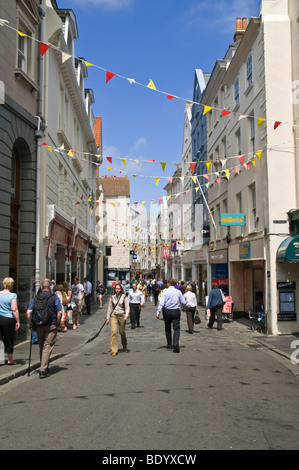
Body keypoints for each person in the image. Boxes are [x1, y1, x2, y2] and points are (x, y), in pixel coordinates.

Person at [26, 279, 62, 378]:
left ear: (41, 288)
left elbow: (28, 313)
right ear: (50, 287)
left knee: (42, 346)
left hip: (38, 325)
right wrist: (57, 323)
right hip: (51, 325)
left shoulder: (36, 298)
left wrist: (30, 323)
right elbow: (59, 312)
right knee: (47, 346)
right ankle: (43, 370)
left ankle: (44, 365)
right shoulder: (54, 298)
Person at [156, 278, 186, 353]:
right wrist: (183, 307)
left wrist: (158, 312)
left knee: (168, 328)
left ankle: (169, 344)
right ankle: (175, 343)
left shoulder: (165, 292)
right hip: (176, 310)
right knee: (176, 328)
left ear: (169, 283)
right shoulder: (178, 292)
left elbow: (161, 303)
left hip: (167, 311)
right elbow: (183, 302)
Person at [0, 277, 20, 365]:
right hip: (8, 319)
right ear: (11, 285)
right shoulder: (12, 295)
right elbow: (14, 309)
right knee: (8, 339)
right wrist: (18, 320)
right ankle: (10, 359)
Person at [106, 284, 129, 356]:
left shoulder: (124, 297)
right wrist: (107, 318)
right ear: (114, 289)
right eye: (116, 288)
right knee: (114, 331)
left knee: (122, 332)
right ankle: (114, 349)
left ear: (121, 289)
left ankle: (124, 344)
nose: (117, 290)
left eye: (118, 289)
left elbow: (127, 307)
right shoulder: (112, 297)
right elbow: (110, 308)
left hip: (122, 315)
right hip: (114, 315)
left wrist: (126, 315)